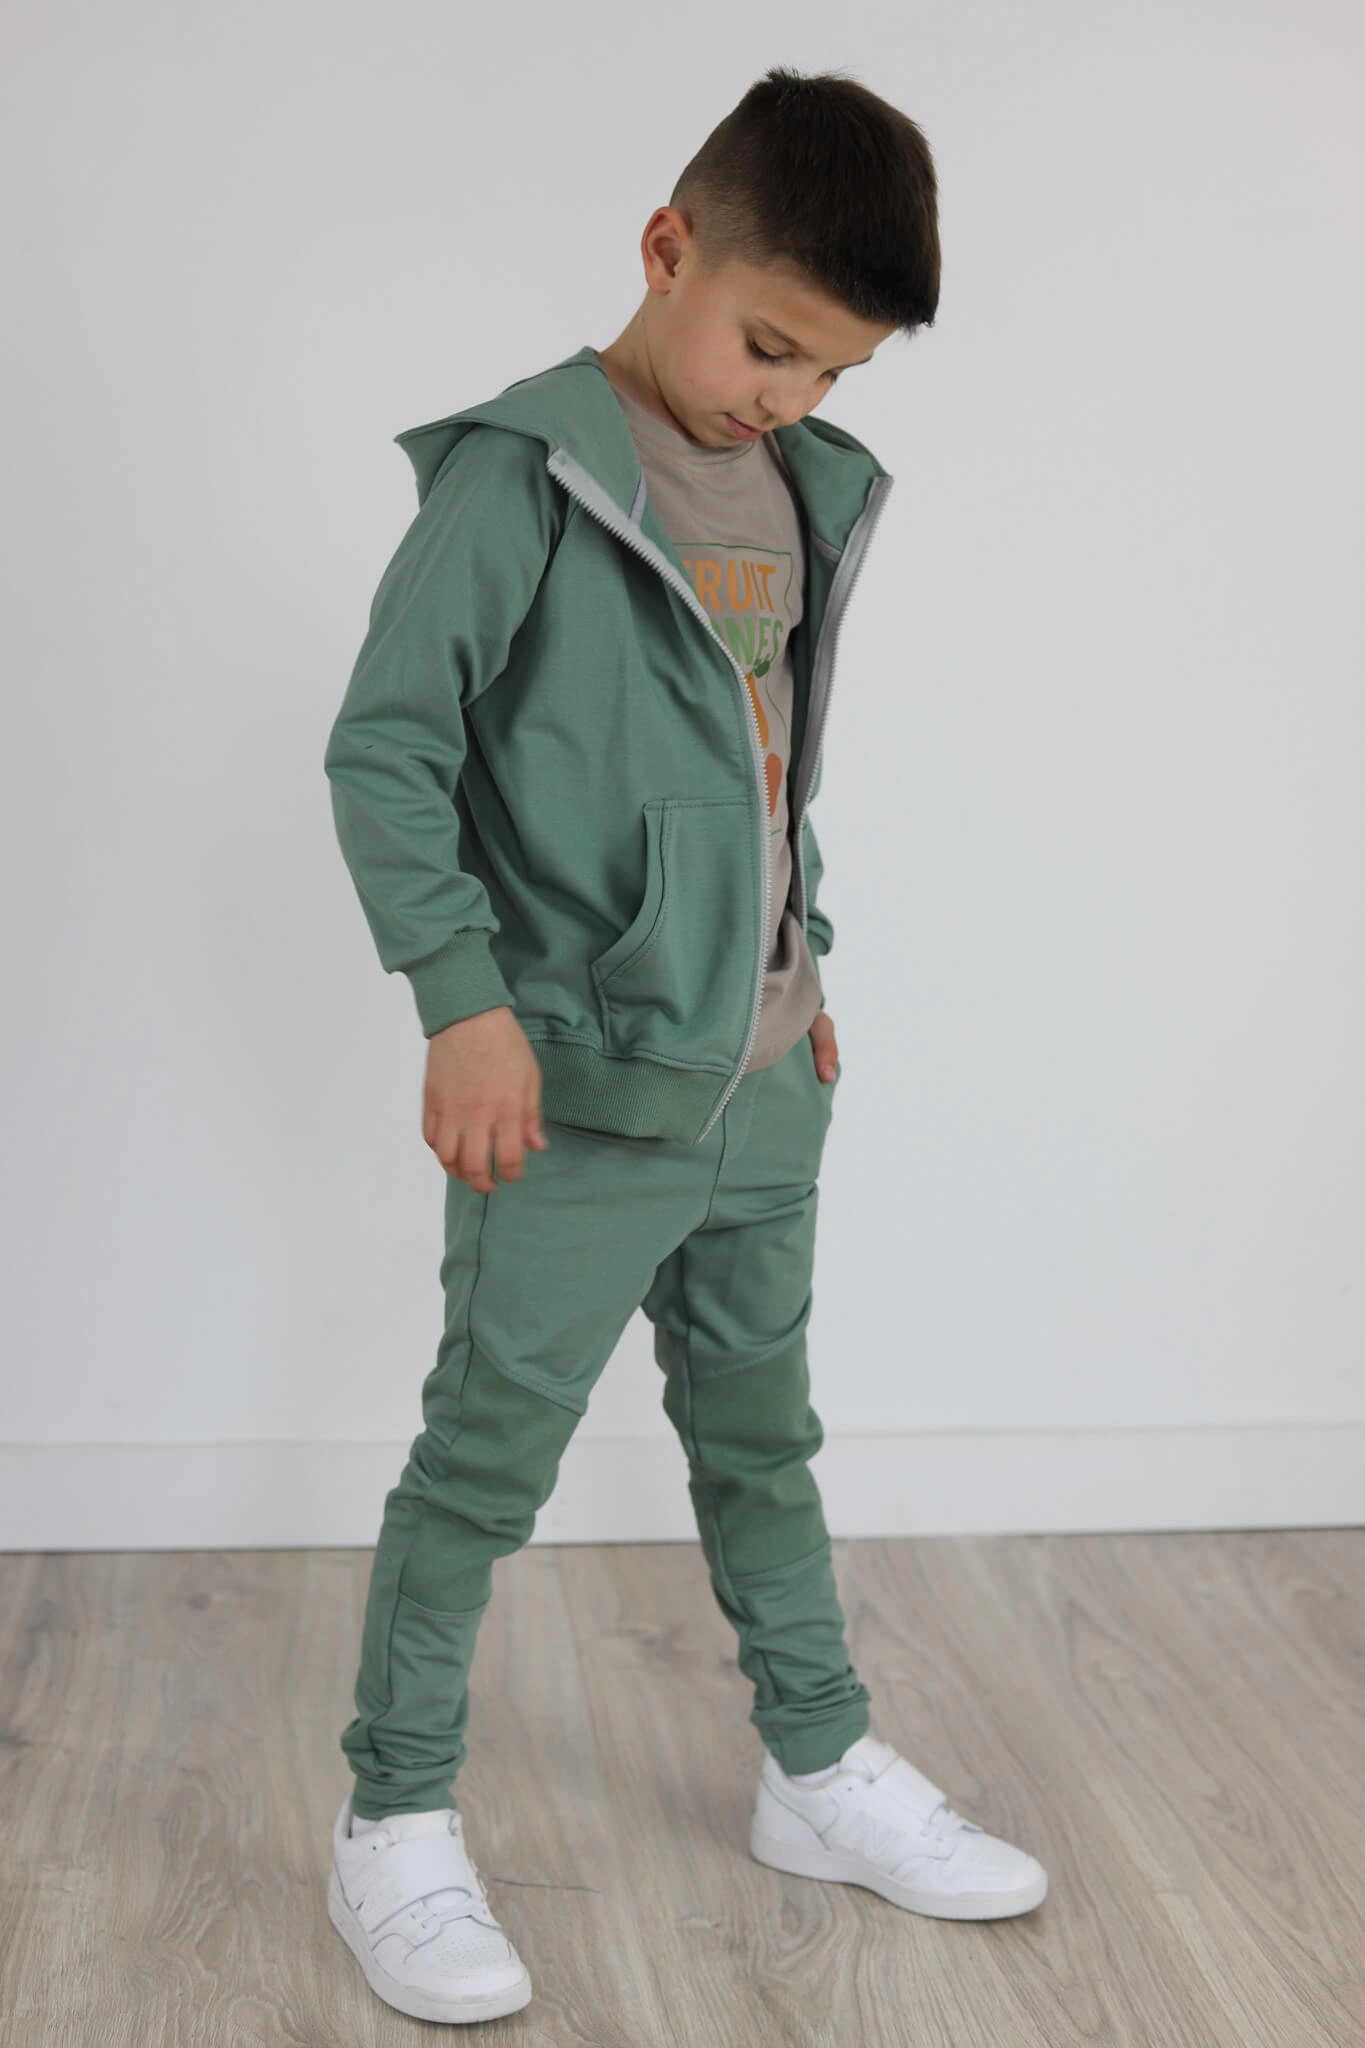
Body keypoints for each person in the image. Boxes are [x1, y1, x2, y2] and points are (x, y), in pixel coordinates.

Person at [321, 64, 1047, 2028]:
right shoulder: (529, 477)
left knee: (761, 1441)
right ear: (667, 249)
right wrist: (462, 1002)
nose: (784, 398)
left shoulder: (803, 492)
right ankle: (392, 1813)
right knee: (486, 1461)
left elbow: (762, 771)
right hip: (569, 1095)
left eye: (833, 374)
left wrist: (802, 967)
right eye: (767, 344)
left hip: (765, 1087)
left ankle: (814, 1766)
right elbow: (386, 752)